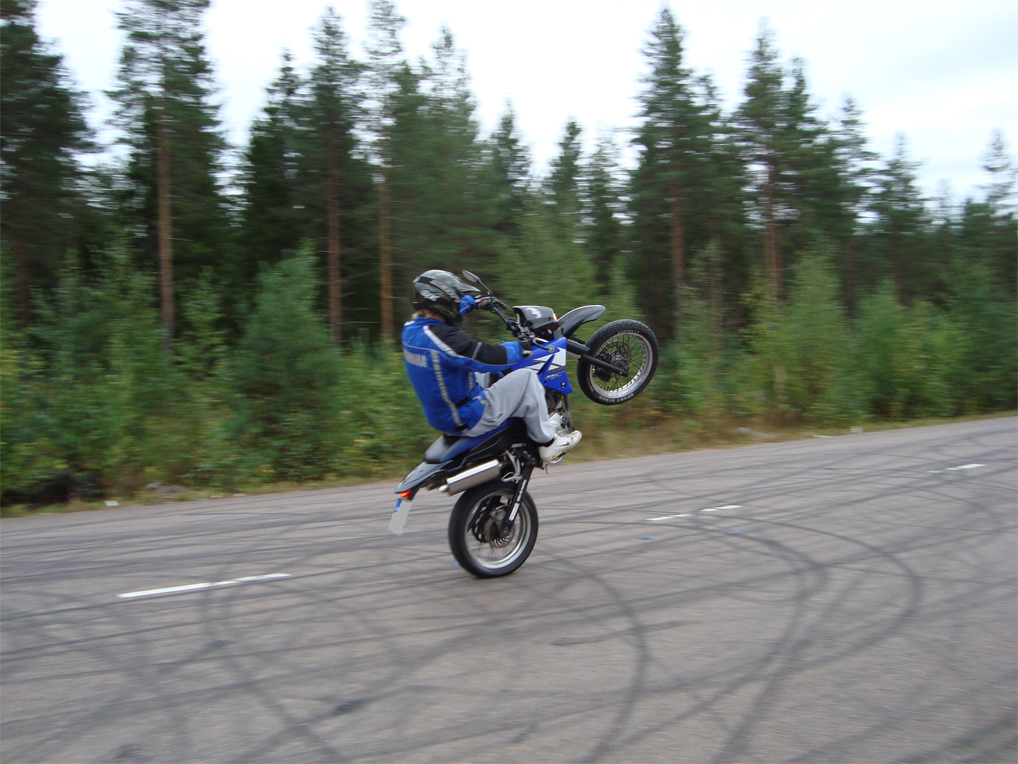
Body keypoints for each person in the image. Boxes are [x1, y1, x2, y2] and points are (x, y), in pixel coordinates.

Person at [402, 270, 582, 465]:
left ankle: (519, 424)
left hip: (442, 412)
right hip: (467, 416)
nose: (456, 305)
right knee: (526, 378)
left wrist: (473, 302)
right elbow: (483, 355)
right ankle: (548, 442)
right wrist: (522, 347)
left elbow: (449, 320)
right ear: (443, 304)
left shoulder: (412, 329)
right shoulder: (443, 339)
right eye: (454, 301)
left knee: (493, 373)